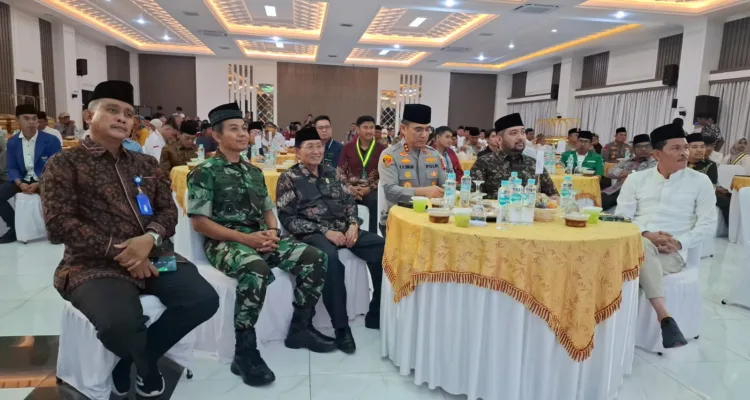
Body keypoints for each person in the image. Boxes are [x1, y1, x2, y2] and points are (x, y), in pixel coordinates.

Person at [40, 81, 219, 397]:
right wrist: (124, 252)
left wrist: (148, 240)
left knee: (203, 298)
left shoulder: (145, 163)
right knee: (119, 324)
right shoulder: (64, 163)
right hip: (93, 265)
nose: (122, 118)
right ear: (88, 116)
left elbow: (167, 210)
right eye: (112, 110)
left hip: (154, 255)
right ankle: (146, 368)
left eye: (128, 113)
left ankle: (132, 362)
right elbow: (59, 224)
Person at [188, 102, 335, 387]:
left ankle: (300, 329)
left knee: (315, 257)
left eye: (244, 128)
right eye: (234, 129)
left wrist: (272, 233)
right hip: (224, 242)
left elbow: (269, 209)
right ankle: (244, 352)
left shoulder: (253, 171)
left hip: (260, 238)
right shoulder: (204, 172)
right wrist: (246, 239)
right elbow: (200, 223)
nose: (243, 134)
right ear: (216, 135)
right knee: (255, 269)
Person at [276, 127, 384, 352]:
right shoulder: (289, 178)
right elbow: (288, 218)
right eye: (310, 147)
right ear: (297, 152)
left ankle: (376, 312)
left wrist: (353, 224)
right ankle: (341, 328)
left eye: (319, 146)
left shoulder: (332, 173)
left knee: (382, 247)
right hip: (312, 233)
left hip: (344, 229)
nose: (316, 151)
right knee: (330, 259)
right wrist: (324, 231)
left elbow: (349, 202)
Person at [616, 123, 716, 349]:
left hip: (671, 251)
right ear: (657, 154)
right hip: (636, 242)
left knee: (634, 261)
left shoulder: (700, 182)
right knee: (641, 246)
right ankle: (664, 317)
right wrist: (645, 234)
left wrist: (679, 242)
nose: (685, 153)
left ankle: (635, 326)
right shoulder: (636, 180)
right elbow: (622, 217)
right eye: (676, 148)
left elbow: (708, 224)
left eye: (685, 147)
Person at [378, 104, 446, 237]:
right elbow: (390, 191)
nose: (424, 135)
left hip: (429, 218)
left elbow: (446, 186)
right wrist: (422, 192)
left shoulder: (435, 155)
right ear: (403, 129)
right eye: (418, 129)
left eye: (428, 129)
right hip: (399, 220)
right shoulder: (390, 155)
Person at [0, 104, 62, 243]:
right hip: (23, 180)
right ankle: (14, 228)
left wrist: (39, 183)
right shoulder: (13, 142)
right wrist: (19, 183)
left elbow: (56, 167)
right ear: (17, 120)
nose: (32, 122)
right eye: (26, 118)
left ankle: (56, 228)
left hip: (46, 179)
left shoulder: (51, 140)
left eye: (34, 118)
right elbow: (12, 168)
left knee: (56, 193)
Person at [470, 113, 558, 200]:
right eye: (513, 133)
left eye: (523, 132)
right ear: (499, 139)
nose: (521, 137)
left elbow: (554, 197)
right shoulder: (484, 162)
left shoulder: (533, 164)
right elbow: (472, 197)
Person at [336, 116, 386, 234]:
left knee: (375, 201)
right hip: (350, 188)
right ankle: (344, 234)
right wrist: (349, 187)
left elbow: (384, 175)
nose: (369, 131)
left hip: (371, 189)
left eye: (371, 127)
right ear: (358, 129)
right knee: (338, 200)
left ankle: (373, 235)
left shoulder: (382, 150)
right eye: (365, 127)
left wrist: (369, 188)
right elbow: (340, 171)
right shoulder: (347, 148)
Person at [601, 134, 656, 210]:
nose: (643, 149)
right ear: (633, 149)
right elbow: (611, 172)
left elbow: (644, 177)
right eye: (639, 146)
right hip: (614, 190)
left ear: (652, 148)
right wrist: (625, 174)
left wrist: (627, 174)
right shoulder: (627, 161)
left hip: (635, 193)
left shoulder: (655, 163)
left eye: (647, 146)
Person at [685, 133, 731, 225]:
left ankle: (731, 227)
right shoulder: (678, 163)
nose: (699, 150)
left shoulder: (710, 165)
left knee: (729, 201)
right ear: (686, 148)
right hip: (680, 196)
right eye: (694, 147)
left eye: (702, 147)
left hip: (704, 195)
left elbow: (711, 187)